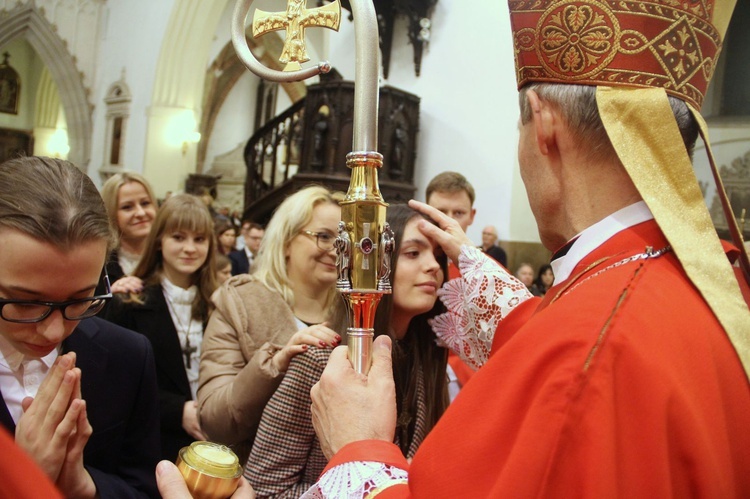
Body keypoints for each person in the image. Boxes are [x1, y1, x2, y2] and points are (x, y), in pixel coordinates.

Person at [303, 1, 750, 496]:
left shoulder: (590, 350)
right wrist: (479, 271)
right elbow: (557, 331)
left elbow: (571, 361)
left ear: (542, 125)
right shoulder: (711, 283)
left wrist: (358, 449)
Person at [245, 205, 448, 498]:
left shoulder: (425, 360)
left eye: (439, 257)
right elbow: (264, 489)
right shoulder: (320, 362)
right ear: (374, 264)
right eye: (413, 253)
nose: (433, 266)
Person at [0, 156, 160, 498]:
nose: (54, 333)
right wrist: (17, 480)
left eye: (80, 300)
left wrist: (83, 486)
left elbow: (143, 486)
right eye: (26, 303)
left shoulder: (128, 356)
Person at [197, 185, 342, 463]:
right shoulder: (241, 302)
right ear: (286, 241)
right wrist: (274, 365)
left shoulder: (354, 313)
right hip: (252, 476)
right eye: (324, 236)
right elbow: (214, 421)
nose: (336, 250)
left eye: (344, 239)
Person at [104, 194, 217, 462]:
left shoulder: (219, 303)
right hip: (154, 439)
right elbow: (119, 383)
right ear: (159, 241)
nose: (190, 248)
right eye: (178, 237)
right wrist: (178, 411)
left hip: (211, 439)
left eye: (199, 239)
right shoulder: (131, 302)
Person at [100, 171, 158, 294]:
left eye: (145, 203)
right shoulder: (100, 263)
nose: (141, 213)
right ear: (111, 213)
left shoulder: (168, 257)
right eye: (127, 207)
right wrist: (110, 296)